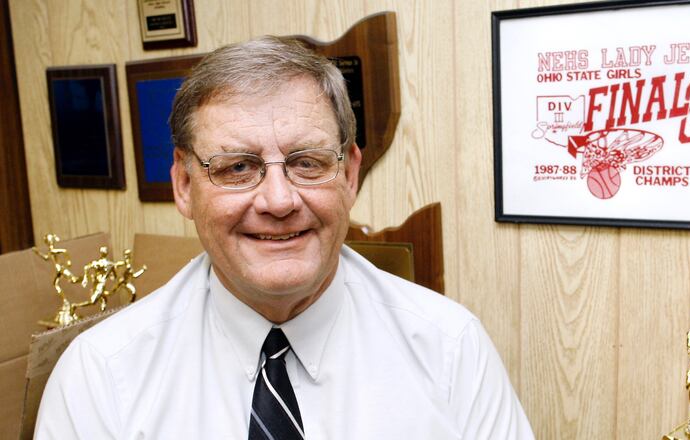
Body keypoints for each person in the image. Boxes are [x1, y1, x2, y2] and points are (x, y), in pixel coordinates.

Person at [35, 36, 534, 439]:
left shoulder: (451, 350)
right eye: (236, 167)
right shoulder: (101, 376)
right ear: (184, 186)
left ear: (350, 174)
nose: (278, 201)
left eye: (307, 163)